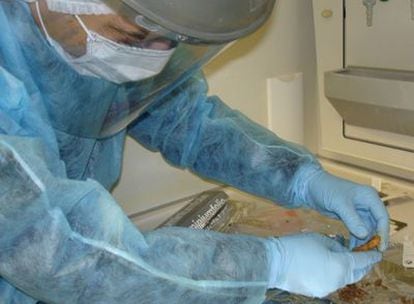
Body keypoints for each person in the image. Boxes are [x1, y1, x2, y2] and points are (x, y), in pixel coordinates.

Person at [0, 0, 389, 303]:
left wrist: (304, 180)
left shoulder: (91, 40)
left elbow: (188, 121)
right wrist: (269, 265)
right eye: (132, 38)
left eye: (171, 42)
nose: (150, 57)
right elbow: (60, 255)